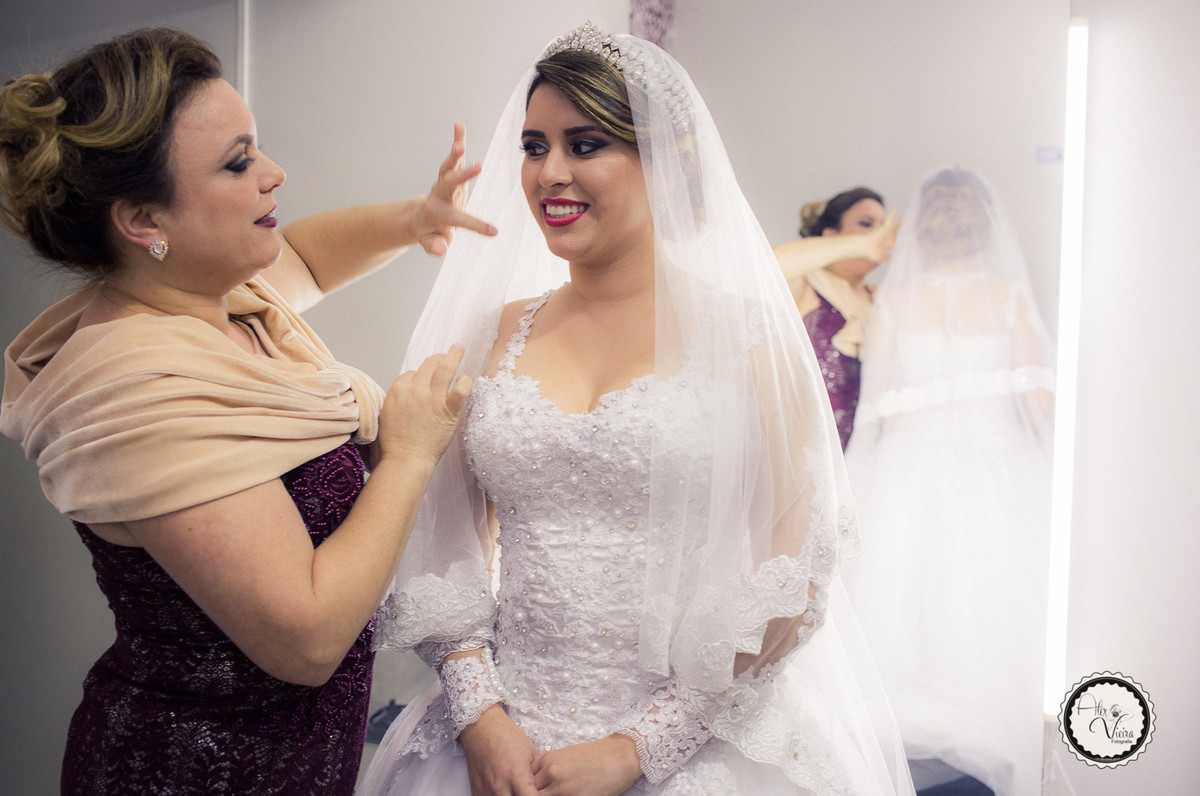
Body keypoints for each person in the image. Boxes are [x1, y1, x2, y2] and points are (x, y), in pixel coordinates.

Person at [361, 23, 914, 796]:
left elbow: (792, 574)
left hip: (692, 746)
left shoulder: (753, 343)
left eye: (585, 145)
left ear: (666, 161)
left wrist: (639, 747)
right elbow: (445, 539)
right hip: (495, 748)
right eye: (533, 145)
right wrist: (480, 714)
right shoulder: (492, 336)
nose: (550, 173)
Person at [0, 27, 493, 794]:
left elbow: (304, 255)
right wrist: (411, 454)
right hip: (194, 773)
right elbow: (306, 637)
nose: (275, 174)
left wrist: (414, 218)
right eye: (238, 162)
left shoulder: (222, 302)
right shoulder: (139, 387)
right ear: (142, 221)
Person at [841, 167, 1056, 795]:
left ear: (921, 230)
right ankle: (982, 726)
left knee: (908, 593)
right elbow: (1041, 403)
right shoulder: (1008, 298)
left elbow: (875, 407)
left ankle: (907, 741)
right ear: (987, 228)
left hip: (909, 467)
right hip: (994, 466)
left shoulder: (897, 302)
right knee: (986, 595)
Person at [772, 188, 898, 448]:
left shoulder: (884, 301)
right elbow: (760, 267)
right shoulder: (804, 284)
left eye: (883, 226)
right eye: (866, 224)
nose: (879, 234)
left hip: (873, 458)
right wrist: (862, 244)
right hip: (811, 452)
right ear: (830, 235)